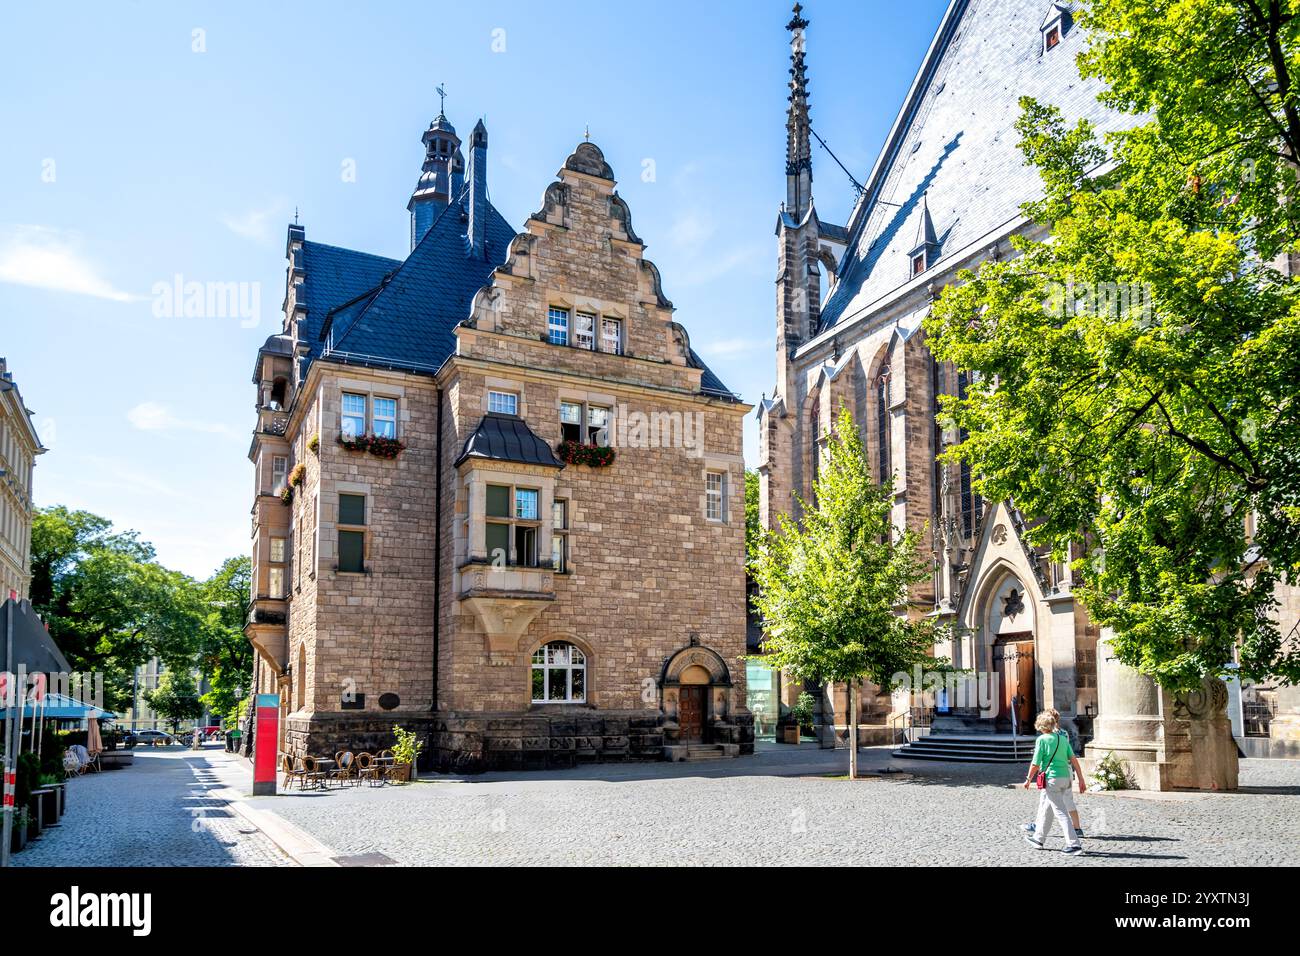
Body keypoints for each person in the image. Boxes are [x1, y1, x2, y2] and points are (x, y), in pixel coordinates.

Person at [1022, 709, 1086, 855]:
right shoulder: (1062, 739)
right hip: (1066, 777)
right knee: (1047, 808)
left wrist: (1028, 780)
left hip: (1052, 779)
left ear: (1042, 726)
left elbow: (1036, 763)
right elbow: (1073, 759)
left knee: (1060, 812)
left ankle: (1074, 844)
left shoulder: (1042, 740)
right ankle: (1038, 838)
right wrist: (1081, 779)